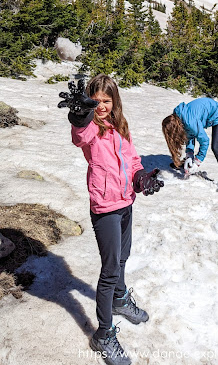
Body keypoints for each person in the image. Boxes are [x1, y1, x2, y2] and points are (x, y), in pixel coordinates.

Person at [58, 75, 164, 365]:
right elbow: (80, 136)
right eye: (97, 100)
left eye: (107, 100)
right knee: (109, 270)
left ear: (115, 102)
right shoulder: (91, 128)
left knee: (123, 257)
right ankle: (103, 334)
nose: (102, 106)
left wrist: (141, 178)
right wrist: (80, 115)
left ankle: (119, 299)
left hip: (126, 201)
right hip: (105, 207)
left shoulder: (120, 127)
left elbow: (132, 161)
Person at [162, 97, 218, 192]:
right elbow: (189, 135)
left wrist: (197, 162)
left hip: (217, 113)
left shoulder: (190, 121)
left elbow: (204, 141)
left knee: (215, 147)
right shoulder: (179, 118)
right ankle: (187, 162)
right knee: (192, 133)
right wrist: (189, 155)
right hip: (203, 113)